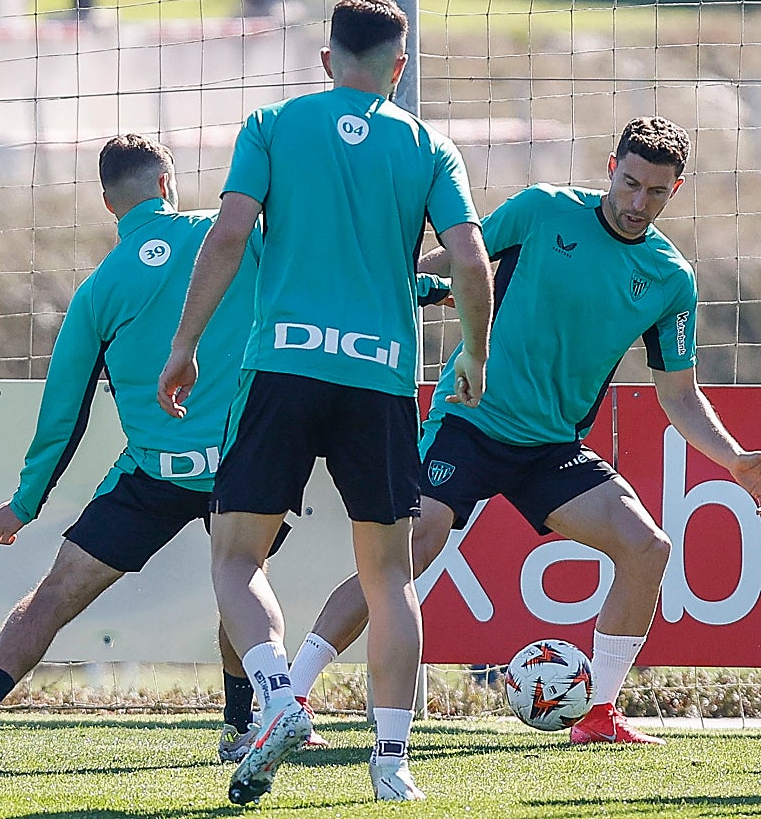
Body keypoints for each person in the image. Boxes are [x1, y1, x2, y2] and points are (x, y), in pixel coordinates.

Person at [284, 115, 761, 745]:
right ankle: (290, 697)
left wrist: (735, 459)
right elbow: (461, 256)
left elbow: (679, 394)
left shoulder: (670, 279)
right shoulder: (542, 210)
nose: (636, 203)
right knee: (409, 550)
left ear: (675, 190)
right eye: (629, 183)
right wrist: (391, 279)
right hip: (470, 420)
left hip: (552, 449)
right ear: (611, 168)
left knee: (648, 549)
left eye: (654, 192)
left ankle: (598, 715)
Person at [158, 0, 493, 805]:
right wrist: (475, 354)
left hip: (284, 367)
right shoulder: (428, 145)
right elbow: (470, 259)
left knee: (236, 556)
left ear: (325, 58)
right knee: (390, 578)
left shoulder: (272, 126)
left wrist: (184, 345)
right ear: (399, 67)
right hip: (380, 379)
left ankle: (277, 698)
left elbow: (228, 235)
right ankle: (392, 764)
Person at [0, 134, 277, 769]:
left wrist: (24, 504)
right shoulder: (231, 238)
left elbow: (64, 416)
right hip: (240, 463)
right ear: (166, 183)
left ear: (109, 203)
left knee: (55, 593)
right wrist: (422, 288)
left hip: (154, 472)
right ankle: (242, 726)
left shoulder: (98, 290)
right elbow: (320, 280)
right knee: (241, 583)